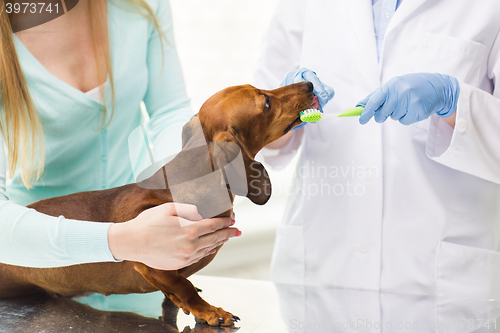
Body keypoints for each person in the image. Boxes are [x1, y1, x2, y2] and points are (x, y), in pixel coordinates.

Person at [255, 0, 500, 296]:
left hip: (441, 279)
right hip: (322, 269)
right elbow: (262, 140)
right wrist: (280, 108)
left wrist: (453, 101)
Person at [0, 0, 240, 271]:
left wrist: (184, 186)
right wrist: (123, 240)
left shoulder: (141, 6)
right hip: (37, 260)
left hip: (144, 252)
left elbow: (168, 110)